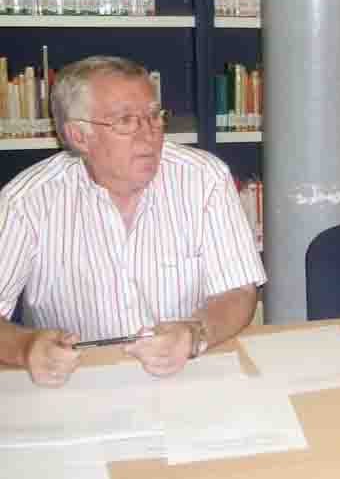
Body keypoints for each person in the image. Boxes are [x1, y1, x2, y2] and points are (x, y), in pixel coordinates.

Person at [0, 56, 266, 387]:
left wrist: (197, 332)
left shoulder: (204, 179)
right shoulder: (26, 201)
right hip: (77, 381)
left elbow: (239, 291)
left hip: (187, 373)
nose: (149, 135)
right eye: (125, 121)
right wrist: (26, 347)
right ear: (79, 136)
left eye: (154, 116)